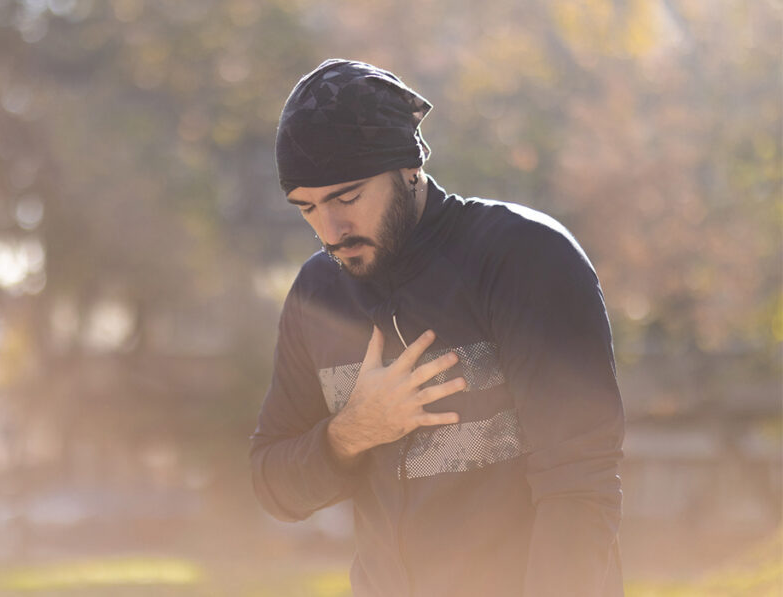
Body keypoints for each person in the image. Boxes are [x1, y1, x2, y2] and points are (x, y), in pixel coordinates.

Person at [249, 59, 625, 597]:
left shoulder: (526, 259)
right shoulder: (317, 294)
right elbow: (272, 484)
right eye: (306, 207)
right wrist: (354, 431)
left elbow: (580, 487)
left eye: (346, 198)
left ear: (408, 167)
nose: (330, 231)